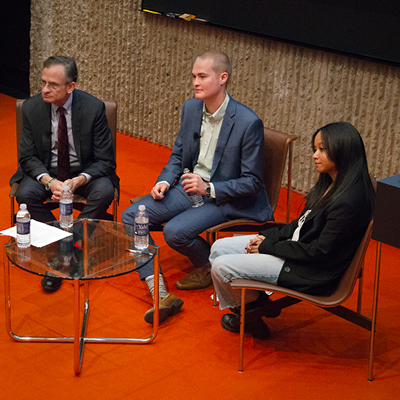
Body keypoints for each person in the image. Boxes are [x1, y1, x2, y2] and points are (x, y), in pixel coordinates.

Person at [122, 50, 273, 325]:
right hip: (190, 187)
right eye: (193, 76)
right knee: (133, 215)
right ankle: (158, 289)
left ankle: (207, 265)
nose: (195, 82)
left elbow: (252, 182)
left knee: (175, 232)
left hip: (224, 198)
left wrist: (209, 188)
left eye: (202, 76)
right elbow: (179, 155)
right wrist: (165, 180)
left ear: (223, 78)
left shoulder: (248, 123)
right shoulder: (191, 108)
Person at [210, 122, 375, 340]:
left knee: (222, 268)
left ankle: (250, 314)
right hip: (296, 249)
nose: (315, 155)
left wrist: (268, 247)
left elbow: (320, 252)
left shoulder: (349, 201)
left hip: (309, 269)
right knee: (219, 247)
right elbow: (299, 225)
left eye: (322, 149)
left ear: (343, 150)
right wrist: (265, 237)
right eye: (315, 149)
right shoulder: (330, 182)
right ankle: (257, 307)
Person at [10, 56, 119, 292]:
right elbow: (27, 157)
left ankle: (68, 249)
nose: (45, 90)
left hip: (83, 172)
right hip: (47, 171)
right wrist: (50, 182)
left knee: (104, 191)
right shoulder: (32, 107)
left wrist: (79, 180)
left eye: (53, 85)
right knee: (25, 194)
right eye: (43, 83)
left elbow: (106, 161)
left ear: (71, 87)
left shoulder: (93, 108)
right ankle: (65, 244)